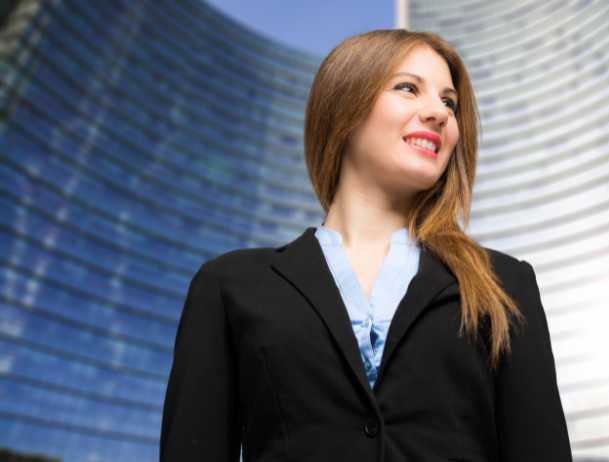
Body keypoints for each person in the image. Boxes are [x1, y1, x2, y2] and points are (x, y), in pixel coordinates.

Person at [159, 29, 572, 462]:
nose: (439, 113)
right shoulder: (230, 286)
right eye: (408, 88)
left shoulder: (503, 284)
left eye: (449, 102)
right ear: (344, 105)